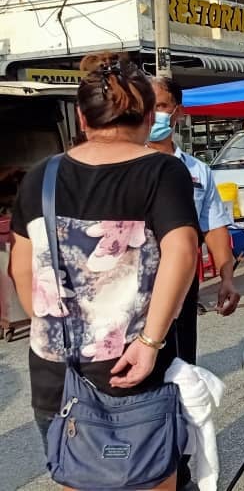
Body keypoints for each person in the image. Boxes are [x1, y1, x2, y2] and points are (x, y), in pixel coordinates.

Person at [9, 53, 199, 487]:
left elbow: (22, 272)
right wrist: (150, 341)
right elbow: (183, 250)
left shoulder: (40, 176)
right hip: (135, 367)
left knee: (78, 476)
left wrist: (58, 327)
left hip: (58, 373)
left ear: (81, 116)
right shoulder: (161, 171)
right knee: (152, 477)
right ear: (150, 116)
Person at [149, 77, 240, 364]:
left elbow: (212, 224)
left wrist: (227, 277)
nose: (154, 115)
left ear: (178, 111)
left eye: (161, 106)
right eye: (147, 107)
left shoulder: (197, 170)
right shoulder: (124, 167)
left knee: (182, 363)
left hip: (183, 286)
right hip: (137, 288)